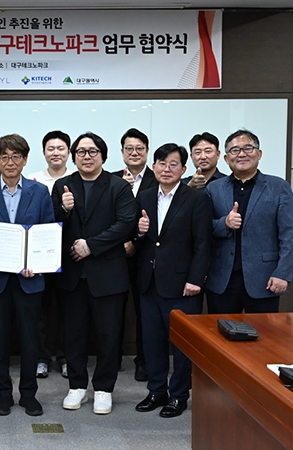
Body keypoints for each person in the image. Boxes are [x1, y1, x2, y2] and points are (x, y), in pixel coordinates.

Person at [52, 132, 136, 415]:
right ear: (74, 156)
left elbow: (126, 224)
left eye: (92, 151)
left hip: (108, 274)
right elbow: (51, 225)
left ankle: (103, 389)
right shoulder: (63, 185)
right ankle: (76, 386)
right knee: (73, 335)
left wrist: (91, 246)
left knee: (108, 335)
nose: (86, 157)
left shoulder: (118, 186)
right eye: (81, 152)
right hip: (72, 275)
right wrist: (63, 210)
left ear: (103, 155)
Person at [0, 134, 54, 417]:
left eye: (16, 156)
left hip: (29, 278)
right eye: (4, 157)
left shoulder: (39, 192)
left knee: (30, 340)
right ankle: (3, 394)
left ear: (25, 160)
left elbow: (47, 234)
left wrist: (38, 264)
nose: (10, 162)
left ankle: (29, 394)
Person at [134, 143, 212, 418]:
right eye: (161, 163)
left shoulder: (197, 199)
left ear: (183, 169)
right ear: (154, 166)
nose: (166, 169)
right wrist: (139, 232)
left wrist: (196, 279)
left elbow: (203, 243)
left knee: (182, 345)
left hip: (182, 285)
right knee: (152, 341)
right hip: (149, 282)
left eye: (173, 164)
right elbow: (137, 239)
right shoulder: (144, 197)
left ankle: (179, 395)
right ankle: (157, 390)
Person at [205, 129, 293, 313]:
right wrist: (224, 223)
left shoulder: (278, 187)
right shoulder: (214, 189)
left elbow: (289, 234)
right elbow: (203, 229)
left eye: (248, 148)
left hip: (265, 279)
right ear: (226, 158)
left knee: (263, 331)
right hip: (222, 279)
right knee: (220, 330)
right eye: (235, 150)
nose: (241, 154)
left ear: (259, 153)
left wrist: (282, 274)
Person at [25, 130, 71, 379]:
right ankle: (41, 358)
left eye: (60, 148)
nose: (56, 153)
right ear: (43, 152)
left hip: (68, 255)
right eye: (51, 148)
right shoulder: (32, 179)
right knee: (39, 310)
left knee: (66, 310)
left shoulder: (76, 179)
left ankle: (65, 358)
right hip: (38, 256)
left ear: (68, 152)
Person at [119, 127, 157, 382]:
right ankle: (112, 358)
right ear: (122, 151)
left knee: (145, 313)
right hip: (116, 257)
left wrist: (134, 241)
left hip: (146, 257)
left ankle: (143, 361)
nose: (134, 153)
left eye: (139, 149)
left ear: (147, 151)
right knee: (114, 312)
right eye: (129, 149)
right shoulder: (112, 178)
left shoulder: (159, 178)